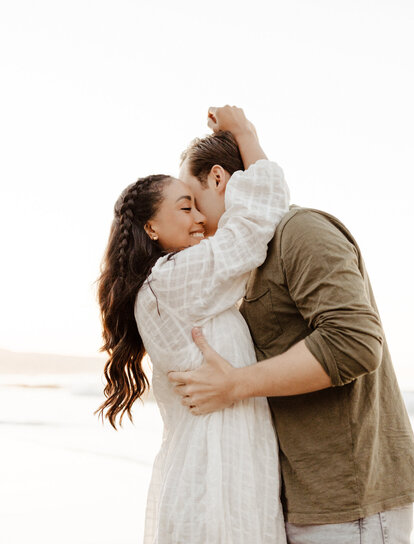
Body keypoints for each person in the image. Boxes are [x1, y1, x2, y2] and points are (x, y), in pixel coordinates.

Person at [169, 127, 414, 543]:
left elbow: (354, 343)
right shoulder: (246, 263)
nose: (196, 220)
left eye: (191, 199)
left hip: (350, 500)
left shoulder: (301, 231)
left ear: (218, 179)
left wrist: (234, 385)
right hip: (302, 499)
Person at [96, 107, 288, 543]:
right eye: (186, 208)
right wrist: (245, 133)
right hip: (214, 491)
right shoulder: (172, 280)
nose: (201, 218)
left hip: (215, 481)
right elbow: (255, 219)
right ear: (151, 226)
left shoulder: (173, 283)